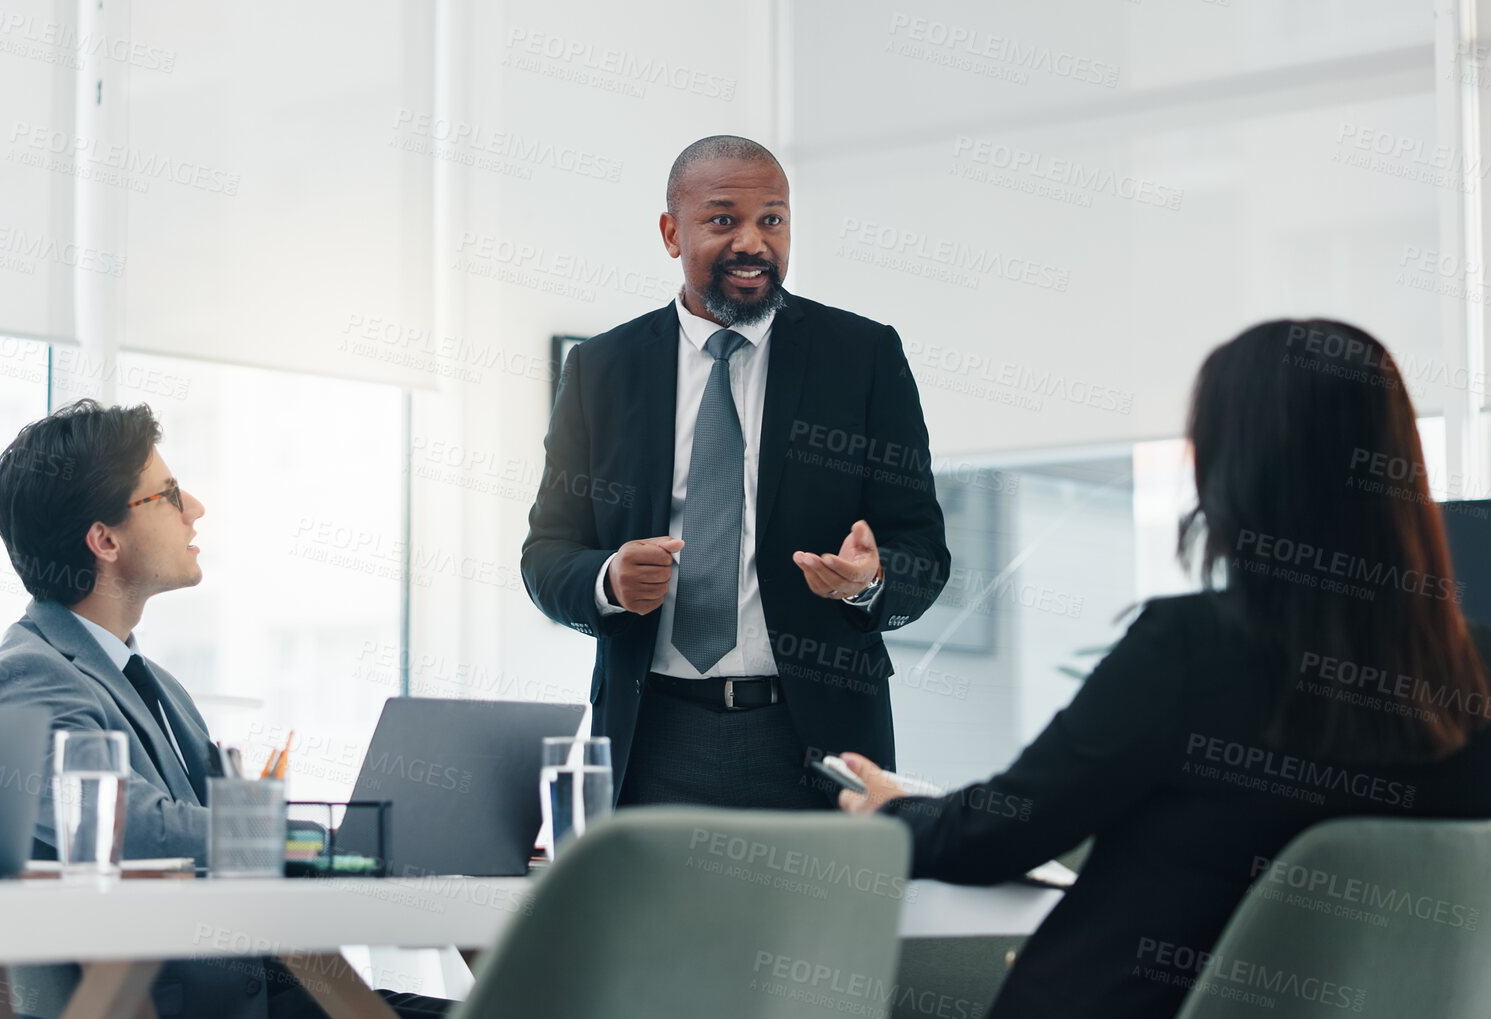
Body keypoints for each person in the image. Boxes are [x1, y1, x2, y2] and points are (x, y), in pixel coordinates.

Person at [837, 319, 1491, 1019]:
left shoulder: (1195, 645)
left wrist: (893, 814)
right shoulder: (1469, 673)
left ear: (1238, 466)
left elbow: (1004, 831)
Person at [520, 135, 951, 809]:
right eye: (723, 219)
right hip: (650, 738)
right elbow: (546, 555)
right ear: (672, 232)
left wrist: (870, 582)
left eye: (771, 220)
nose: (752, 242)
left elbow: (922, 549)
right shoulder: (602, 369)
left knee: (819, 921)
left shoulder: (862, 356)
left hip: (817, 744)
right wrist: (608, 579)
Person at [0, 400, 448, 1019]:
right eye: (169, 494)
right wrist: (308, 840)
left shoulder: (158, 684)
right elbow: (137, 832)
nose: (194, 509)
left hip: (269, 987)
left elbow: (224, 834)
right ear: (105, 539)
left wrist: (368, 849)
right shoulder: (28, 675)